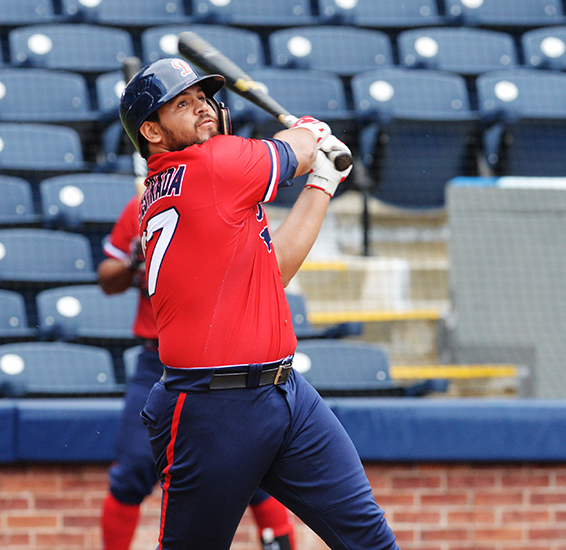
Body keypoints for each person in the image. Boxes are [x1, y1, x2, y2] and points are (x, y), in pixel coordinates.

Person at [118, 58, 400, 550]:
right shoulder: (210, 165)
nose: (203, 108)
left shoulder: (204, 185)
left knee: (369, 538)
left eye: (202, 98)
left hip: (286, 392)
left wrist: (322, 184)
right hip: (211, 406)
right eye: (182, 104)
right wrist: (311, 131)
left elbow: (273, 275)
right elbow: (297, 146)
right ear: (152, 132)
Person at [98, 189, 298, 550]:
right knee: (131, 470)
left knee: (252, 473)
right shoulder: (142, 206)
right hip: (156, 362)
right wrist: (132, 260)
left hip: (221, 358)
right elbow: (107, 278)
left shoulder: (231, 202)